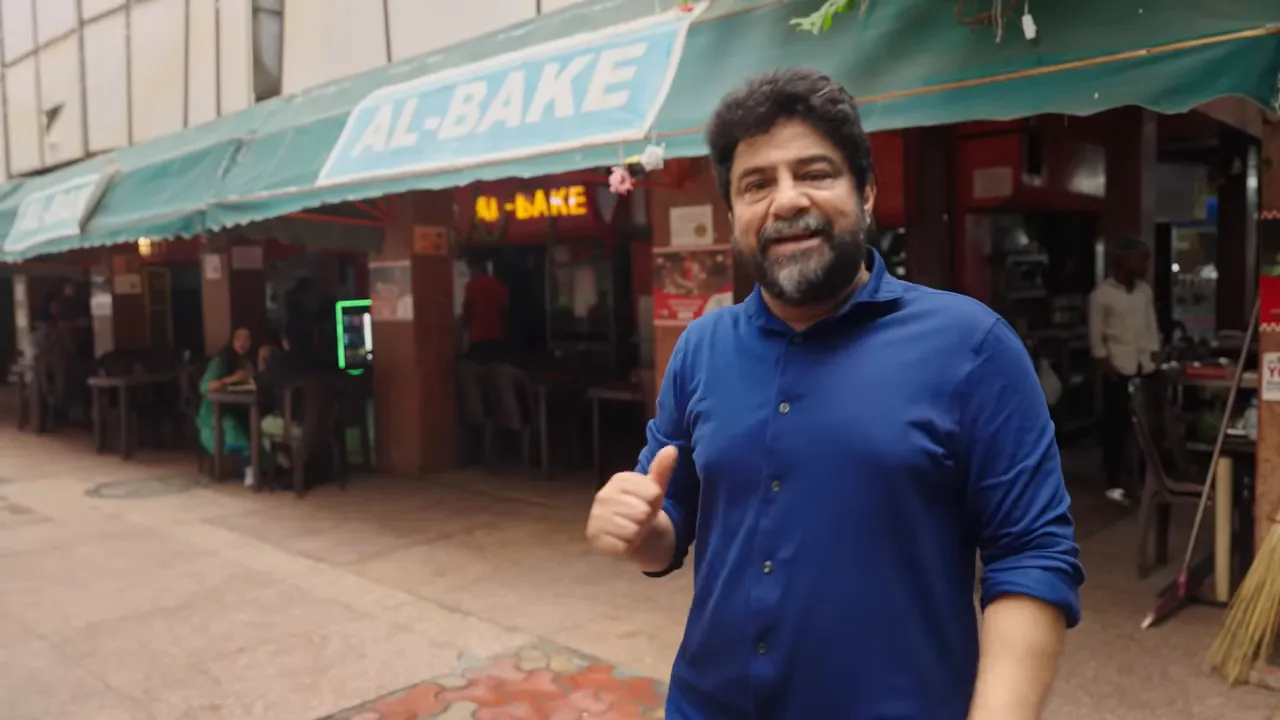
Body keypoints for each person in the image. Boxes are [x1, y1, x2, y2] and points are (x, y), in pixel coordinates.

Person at [584, 67, 1084, 720]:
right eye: (756, 184)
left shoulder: (972, 347)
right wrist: (642, 529)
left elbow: (1032, 555)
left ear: (867, 192)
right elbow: (671, 521)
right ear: (734, 214)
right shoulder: (701, 349)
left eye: (815, 173)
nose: (786, 201)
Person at [1089, 236, 1160, 506]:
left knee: (1147, 429)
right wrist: (1108, 367)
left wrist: (1156, 352)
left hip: (1145, 367)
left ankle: (1145, 480)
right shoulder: (1101, 295)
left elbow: (1150, 324)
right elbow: (1096, 338)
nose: (1144, 265)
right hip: (1118, 367)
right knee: (1115, 427)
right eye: (1140, 260)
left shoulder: (1145, 292)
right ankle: (1114, 482)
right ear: (1122, 262)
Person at [197, 327, 256, 486]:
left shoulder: (247, 361)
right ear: (232, 341)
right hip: (215, 411)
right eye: (239, 339)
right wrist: (230, 380)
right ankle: (248, 466)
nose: (243, 343)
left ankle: (261, 465)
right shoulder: (221, 360)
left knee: (254, 423)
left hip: (239, 406)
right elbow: (204, 387)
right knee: (230, 425)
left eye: (247, 339)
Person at [463, 255, 509, 363]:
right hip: (496, 334)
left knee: (480, 367)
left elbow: (468, 309)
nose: (470, 273)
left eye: (470, 269)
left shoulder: (471, 286)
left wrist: (465, 327)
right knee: (495, 365)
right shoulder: (499, 285)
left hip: (478, 335)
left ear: (476, 268)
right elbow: (505, 312)